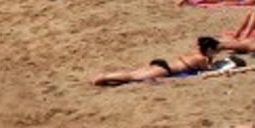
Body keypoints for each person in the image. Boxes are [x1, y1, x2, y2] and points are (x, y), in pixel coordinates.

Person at [90, 36, 226, 86]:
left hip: (163, 63)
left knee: (133, 72)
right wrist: (212, 61)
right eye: (214, 51)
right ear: (209, 49)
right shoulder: (201, 58)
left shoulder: (194, 52)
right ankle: (104, 77)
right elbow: (207, 70)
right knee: (133, 77)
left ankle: (106, 76)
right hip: (165, 70)